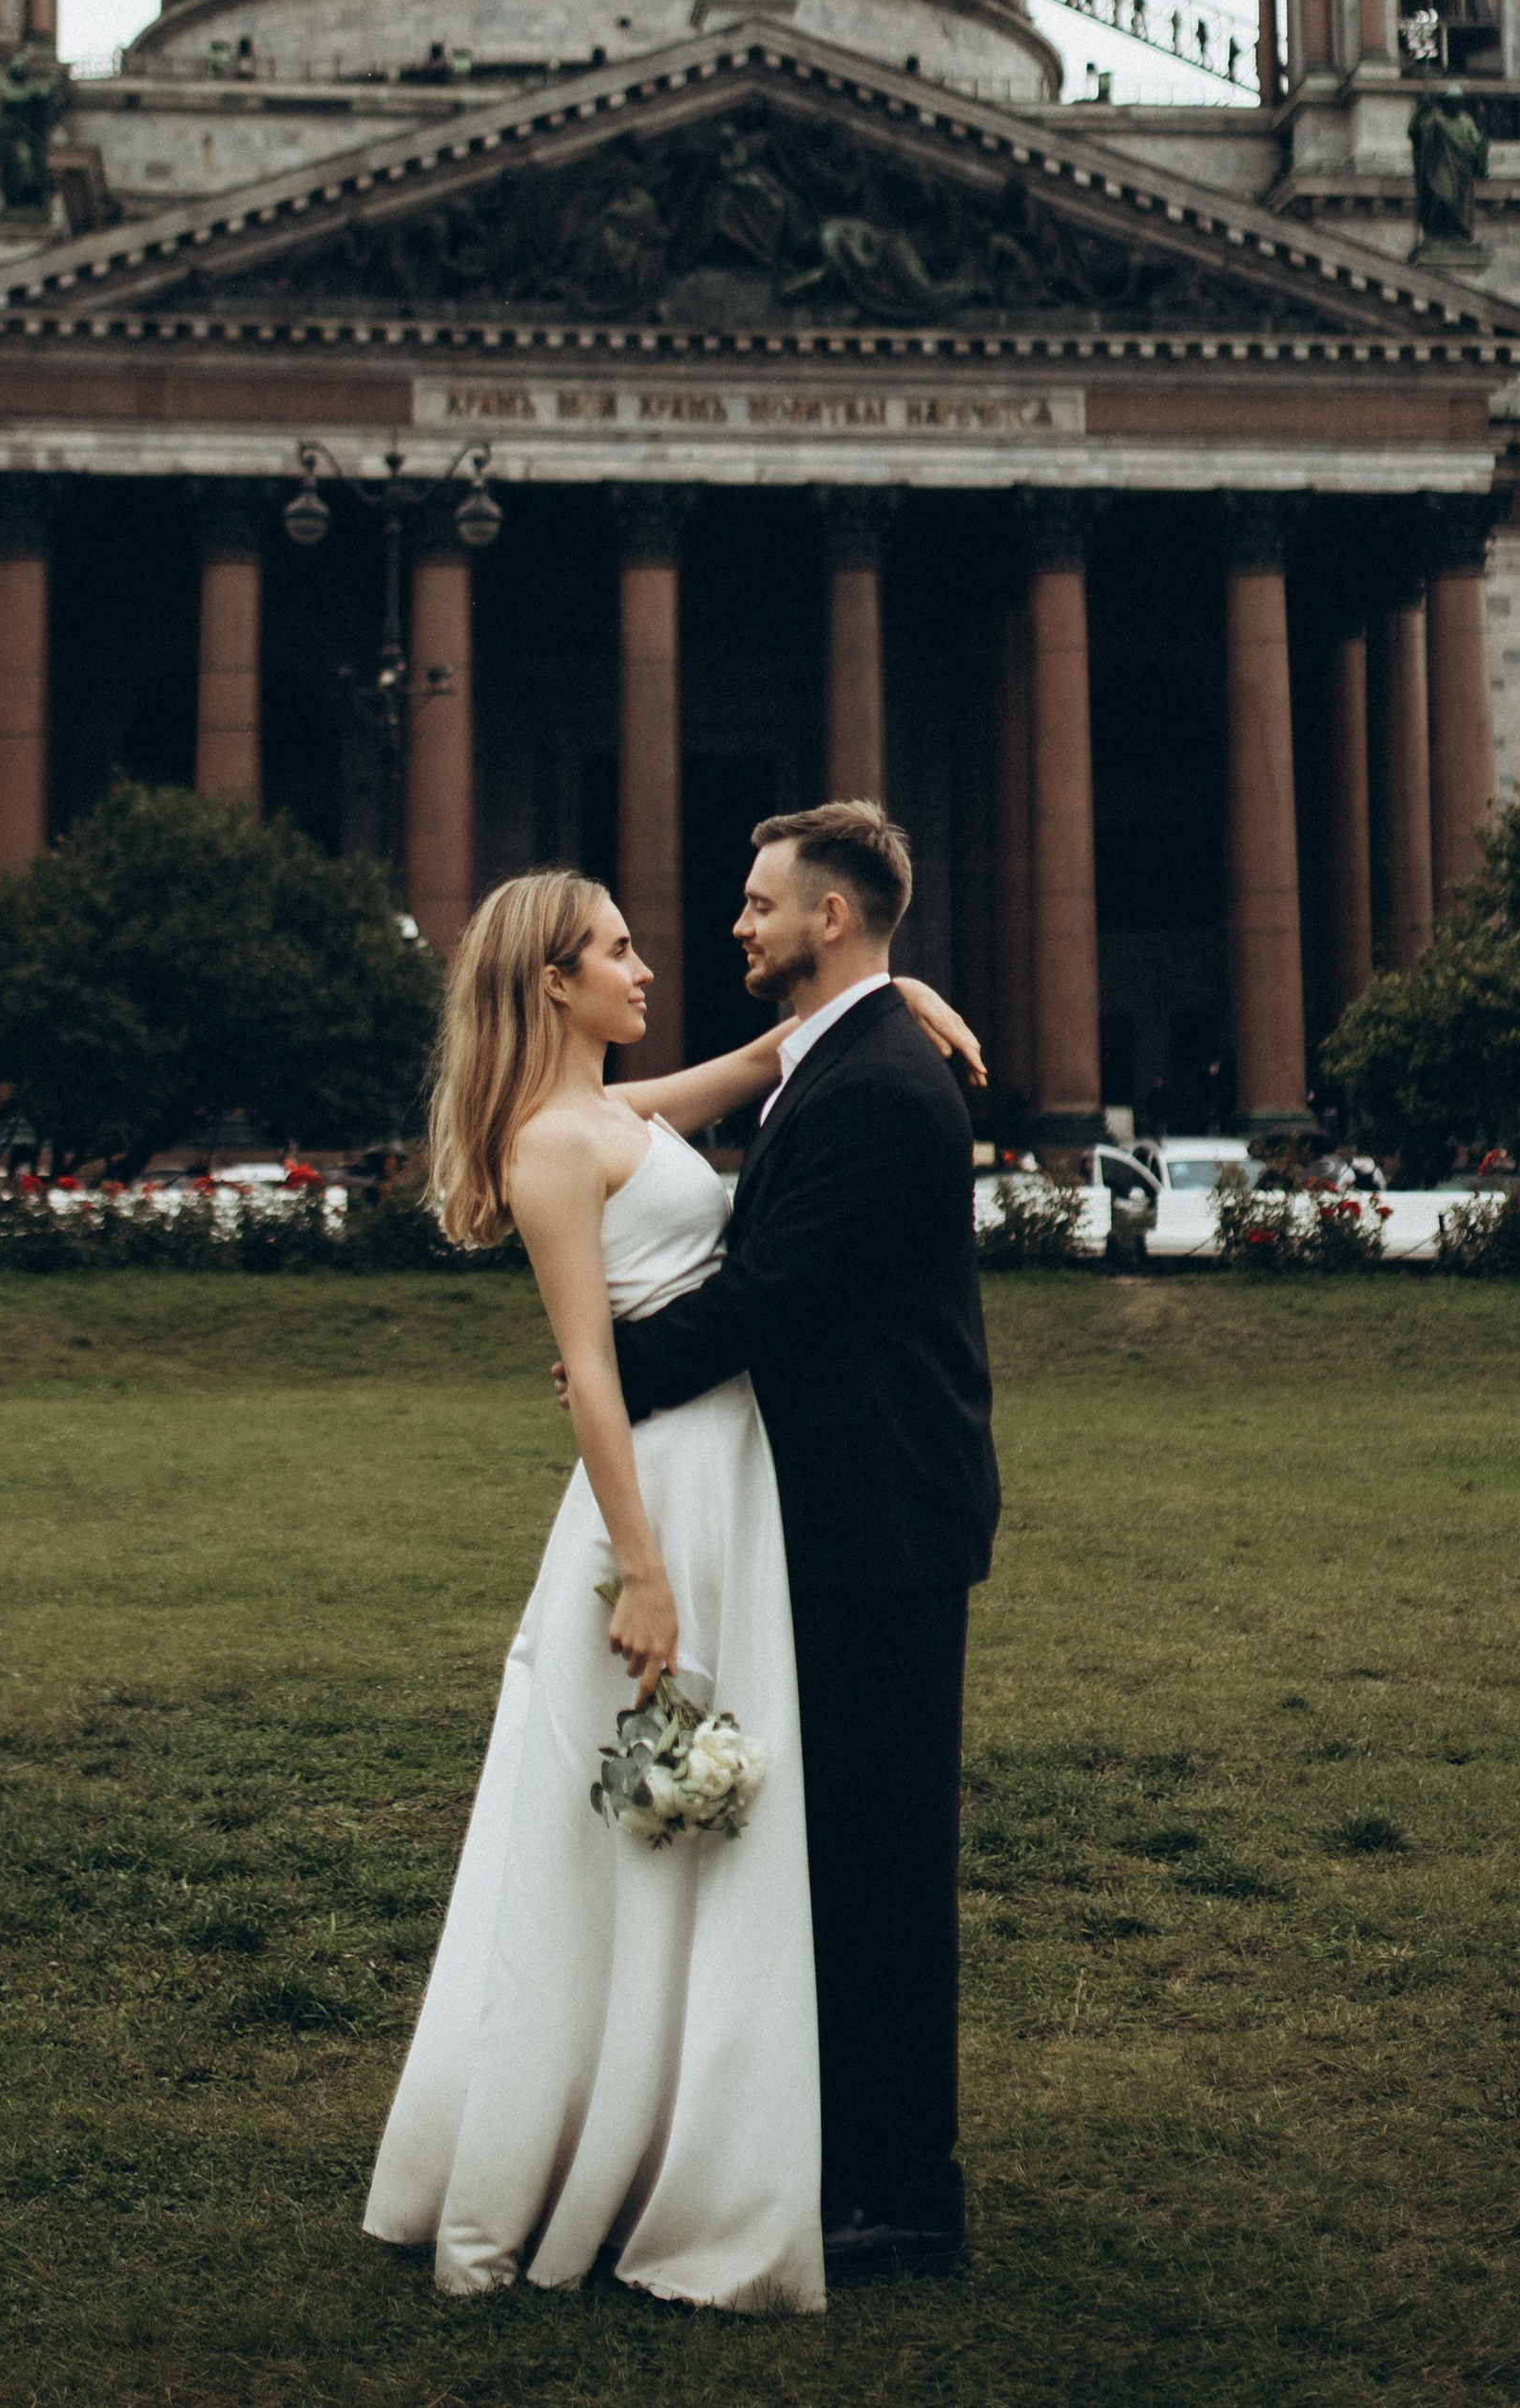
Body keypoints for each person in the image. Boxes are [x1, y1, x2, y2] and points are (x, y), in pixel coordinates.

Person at [363, 867, 982, 2315]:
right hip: (660, 1502)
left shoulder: (619, 1114)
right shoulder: (552, 1144)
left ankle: (701, 2116)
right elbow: (589, 1371)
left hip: (736, 1487)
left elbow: (782, 1055)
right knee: (639, 1826)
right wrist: (640, 1569)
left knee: (729, 1813)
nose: (652, 965)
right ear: (551, 985)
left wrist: (901, 990)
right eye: (618, 950)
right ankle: (627, 2129)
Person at [613, 801, 998, 2279]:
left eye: (762, 903)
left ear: (830, 918)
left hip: (882, 1520)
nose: (737, 926)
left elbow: (775, 1292)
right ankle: (854, 2153)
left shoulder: (881, 1089)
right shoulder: (853, 1054)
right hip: (849, 1511)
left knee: (887, 1865)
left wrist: (605, 1368)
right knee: (843, 1853)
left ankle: (904, 2188)